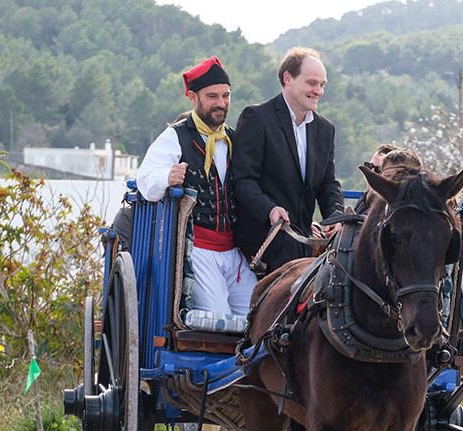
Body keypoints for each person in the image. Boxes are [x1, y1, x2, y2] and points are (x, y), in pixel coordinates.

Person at [135, 56, 256, 317]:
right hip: (198, 250)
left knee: (257, 315)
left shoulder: (235, 140)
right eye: (212, 96)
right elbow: (145, 179)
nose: (221, 104)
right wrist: (167, 177)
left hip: (234, 251)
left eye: (226, 96)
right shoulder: (175, 136)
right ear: (193, 98)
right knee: (217, 316)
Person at [232, 47, 344, 274]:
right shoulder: (256, 117)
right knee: (292, 255)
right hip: (263, 233)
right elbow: (243, 181)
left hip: (302, 235)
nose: (319, 91)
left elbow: (328, 184)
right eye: (312, 83)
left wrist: (335, 216)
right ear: (287, 78)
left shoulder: (325, 129)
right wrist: (270, 210)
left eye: (322, 85)